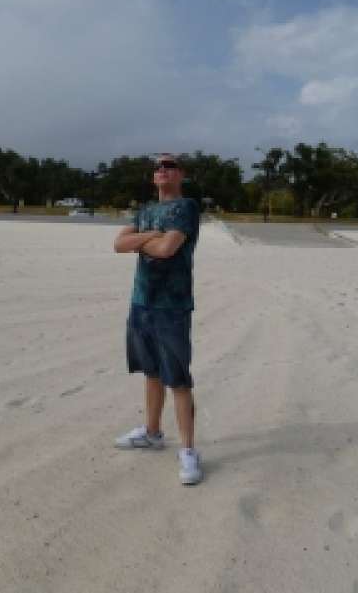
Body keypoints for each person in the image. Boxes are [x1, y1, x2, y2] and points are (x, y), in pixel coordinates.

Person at [113, 153, 202, 485]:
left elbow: (167, 250)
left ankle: (188, 450)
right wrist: (153, 236)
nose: (163, 170)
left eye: (170, 166)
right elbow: (118, 244)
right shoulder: (145, 211)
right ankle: (152, 432)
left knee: (177, 379)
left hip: (172, 307)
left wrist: (142, 241)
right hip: (141, 303)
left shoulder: (186, 207)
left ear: (180, 174)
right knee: (150, 372)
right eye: (158, 167)